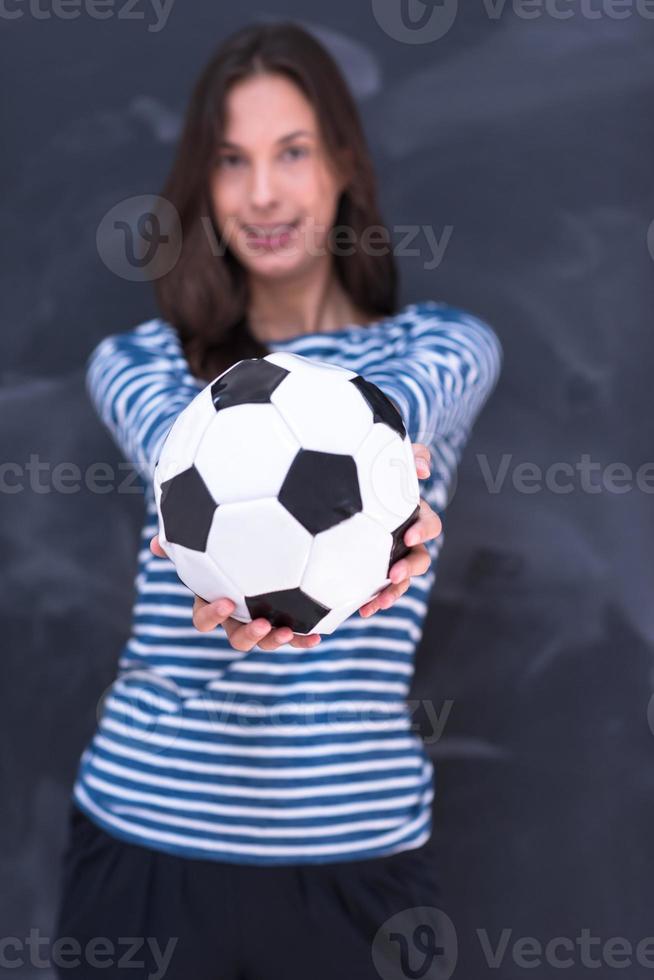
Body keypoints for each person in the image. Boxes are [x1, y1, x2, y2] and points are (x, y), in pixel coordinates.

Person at [52, 21, 503, 980]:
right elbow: (176, 443)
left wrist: (386, 491)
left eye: (292, 152)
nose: (262, 192)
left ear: (343, 162)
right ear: (203, 187)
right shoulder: (140, 363)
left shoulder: (441, 349)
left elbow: (401, 411)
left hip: (355, 864)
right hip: (144, 845)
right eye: (231, 161)